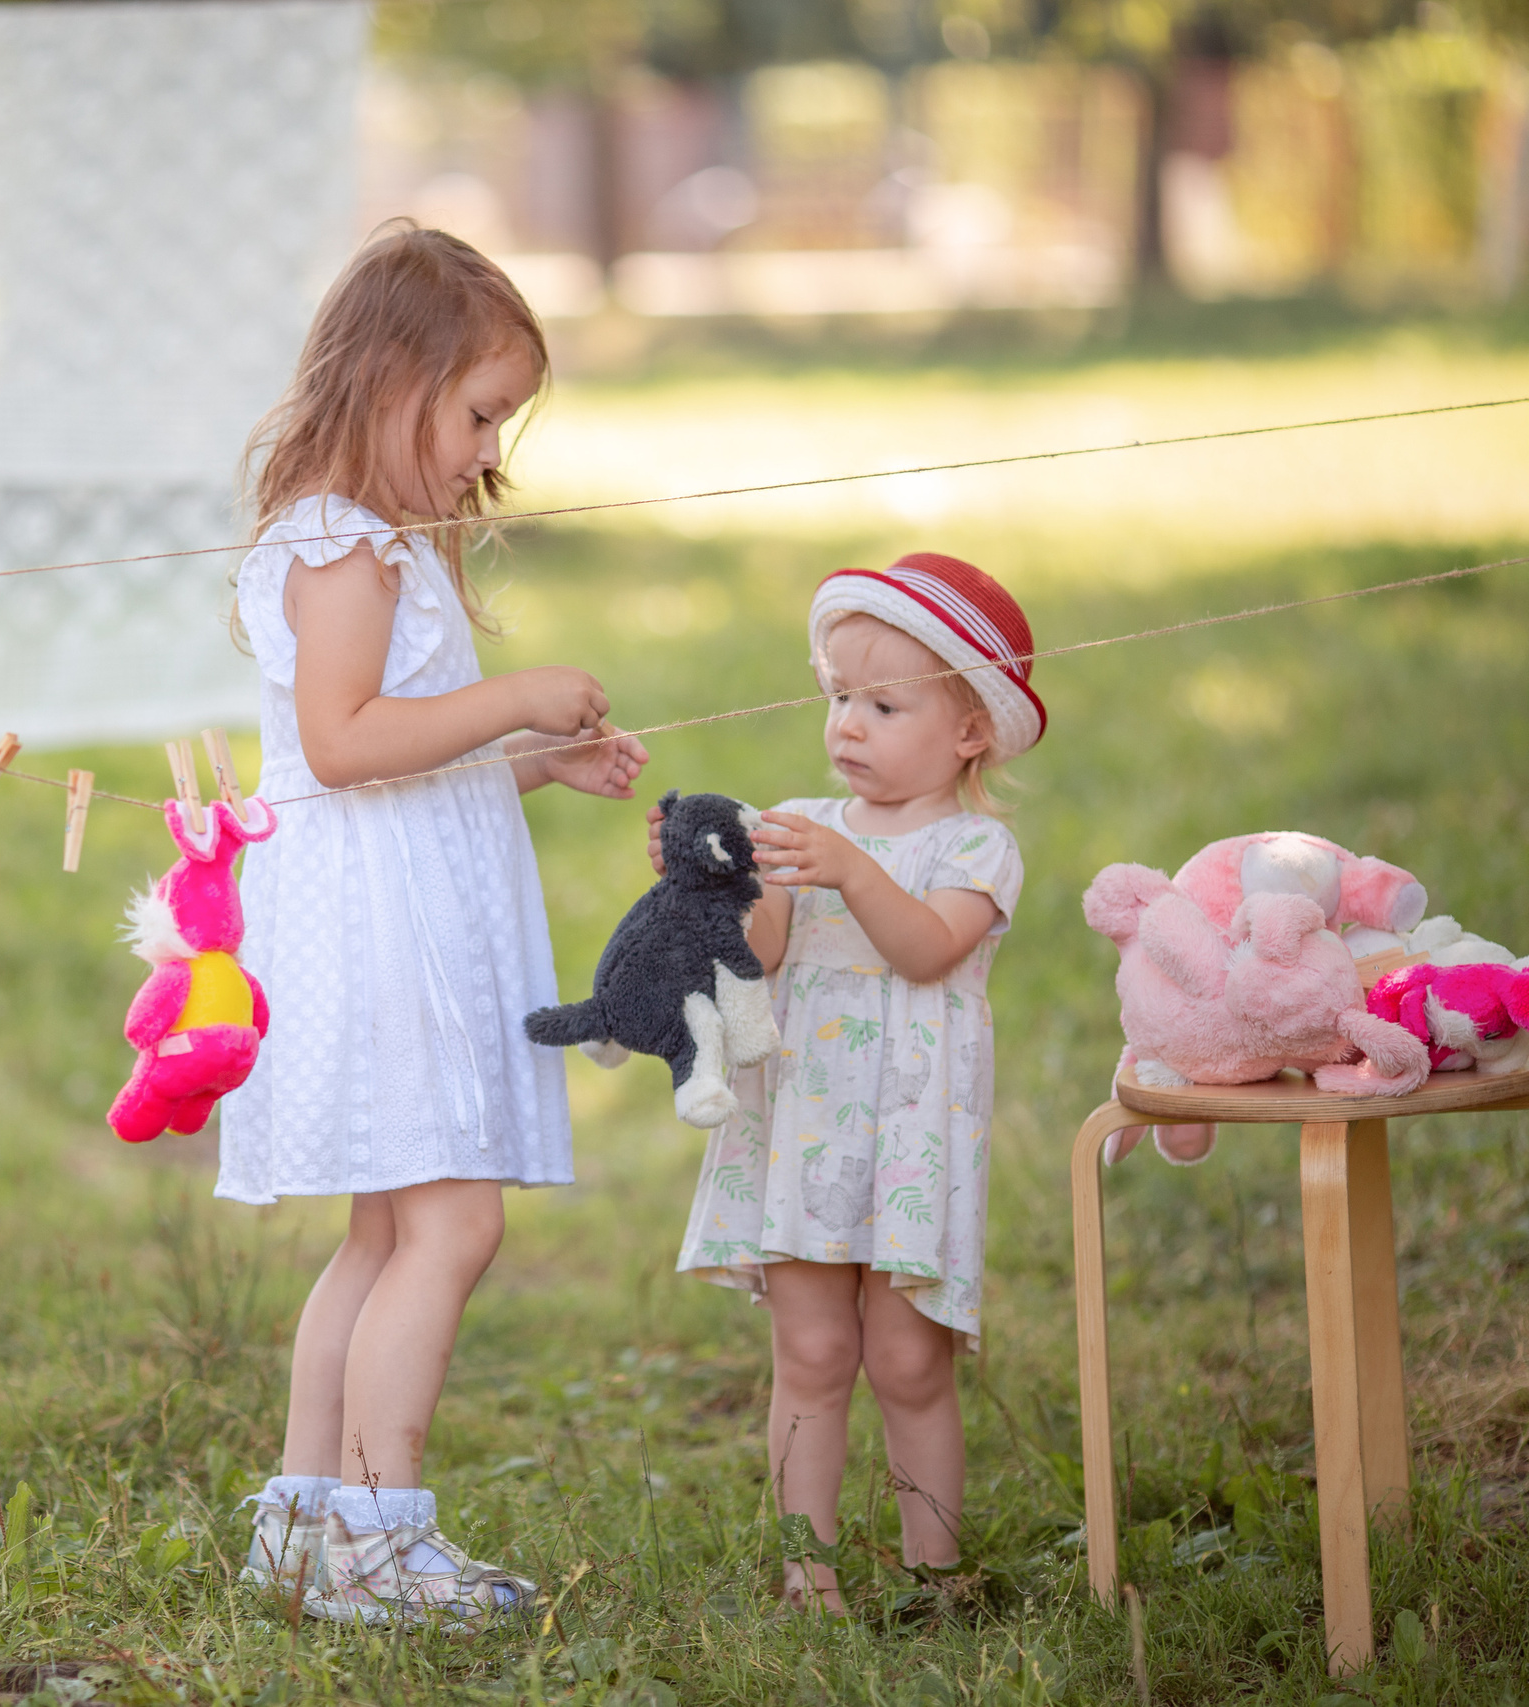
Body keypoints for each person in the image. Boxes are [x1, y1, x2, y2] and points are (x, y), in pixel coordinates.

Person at [222, 224, 649, 1628]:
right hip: (375, 927)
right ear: (391, 378)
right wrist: (516, 696)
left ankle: (302, 1520)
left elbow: (396, 760)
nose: (484, 452)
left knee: (384, 1234)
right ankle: (375, 1538)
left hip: (385, 905)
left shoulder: (376, 536)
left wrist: (533, 764)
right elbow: (345, 741)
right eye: (477, 412)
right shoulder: (343, 542)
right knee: (452, 1223)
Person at [663, 553, 1040, 1611]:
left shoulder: (977, 845)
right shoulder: (802, 822)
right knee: (813, 1352)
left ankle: (936, 1574)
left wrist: (848, 868)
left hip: (910, 1137)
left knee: (909, 1362)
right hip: (803, 1130)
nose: (848, 724)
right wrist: (735, 880)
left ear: (969, 729)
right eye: (837, 696)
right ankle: (805, 1573)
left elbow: (926, 952)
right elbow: (767, 955)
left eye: (884, 703)